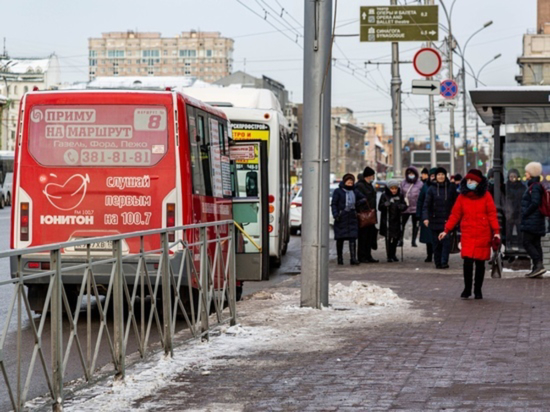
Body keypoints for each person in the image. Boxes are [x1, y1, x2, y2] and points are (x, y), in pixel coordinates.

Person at [438, 169, 500, 299]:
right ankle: (467, 289)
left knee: (480, 264)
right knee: (467, 263)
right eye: (468, 180)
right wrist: (446, 230)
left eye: (472, 180)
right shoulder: (462, 197)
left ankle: (478, 290)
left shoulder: (486, 196)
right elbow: (455, 215)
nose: (469, 182)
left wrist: (496, 232)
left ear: (478, 182)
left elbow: (492, 215)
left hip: (483, 233)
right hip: (468, 233)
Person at [422, 167, 457, 269]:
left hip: (447, 220)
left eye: (442, 174)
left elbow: (455, 203)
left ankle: (444, 262)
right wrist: (425, 218)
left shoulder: (451, 188)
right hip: (434, 220)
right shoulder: (431, 189)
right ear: (435, 176)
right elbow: (426, 205)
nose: (441, 177)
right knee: (436, 243)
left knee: (446, 242)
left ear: (445, 176)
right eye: (439, 175)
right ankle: (437, 262)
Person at [331, 173, 365, 265]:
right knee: (340, 239)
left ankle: (353, 258)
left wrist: (358, 203)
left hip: (352, 217)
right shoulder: (338, 191)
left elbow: (363, 198)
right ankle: (340, 258)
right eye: (348, 181)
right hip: (341, 217)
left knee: (353, 238)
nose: (350, 183)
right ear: (344, 181)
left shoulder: (355, 191)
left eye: (351, 181)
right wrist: (336, 214)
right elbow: (334, 204)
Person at [521, 162, 547, 278]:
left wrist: (526, 213)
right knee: (536, 244)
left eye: (527, 172)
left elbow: (535, 203)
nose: (525, 173)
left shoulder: (534, 186)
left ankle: (538, 265)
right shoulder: (536, 185)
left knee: (527, 242)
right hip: (536, 220)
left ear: (531, 173)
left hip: (532, 220)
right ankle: (537, 269)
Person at [379, 180, 407, 262]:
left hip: (396, 220)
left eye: (395, 188)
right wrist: (385, 205)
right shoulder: (384, 196)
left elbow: (405, 205)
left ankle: (393, 254)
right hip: (387, 220)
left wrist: (402, 206)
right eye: (392, 188)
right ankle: (389, 255)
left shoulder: (400, 195)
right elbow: (380, 207)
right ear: (389, 188)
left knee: (395, 238)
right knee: (388, 238)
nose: (394, 190)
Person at [355, 166, 379, 263]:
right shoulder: (360, 186)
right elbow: (358, 200)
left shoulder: (370, 185)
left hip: (371, 215)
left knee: (370, 236)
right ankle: (362, 256)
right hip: (363, 215)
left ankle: (368, 255)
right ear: (368, 176)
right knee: (363, 236)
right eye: (372, 175)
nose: (373, 177)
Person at [400, 166, 423, 247]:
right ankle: (400, 240)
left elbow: (422, 196)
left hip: (415, 208)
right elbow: (400, 194)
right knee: (402, 224)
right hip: (405, 208)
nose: (411, 175)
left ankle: (413, 241)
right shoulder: (403, 183)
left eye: (412, 173)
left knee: (415, 225)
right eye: (409, 173)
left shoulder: (420, 184)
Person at [417, 167, 436, 262]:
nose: (433, 178)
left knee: (438, 237)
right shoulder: (425, 186)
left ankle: (438, 255)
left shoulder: (444, 186)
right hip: (427, 214)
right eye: (432, 176)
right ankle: (429, 255)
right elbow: (420, 201)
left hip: (439, 215)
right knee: (429, 238)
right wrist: (419, 214)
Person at [505, 168, 525, 250]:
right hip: (509, 212)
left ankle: (521, 245)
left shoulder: (522, 187)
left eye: (514, 176)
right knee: (508, 231)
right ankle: (508, 244)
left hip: (518, 211)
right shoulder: (506, 187)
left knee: (520, 230)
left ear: (517, 177)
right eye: (511, 176)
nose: (512, 178)